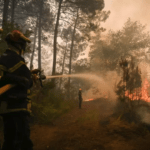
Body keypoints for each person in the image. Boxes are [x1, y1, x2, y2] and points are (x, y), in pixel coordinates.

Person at [0, 29, 33, 150]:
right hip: (16, 107)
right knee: (23, 143)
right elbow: (27, 82)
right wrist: (27, 79)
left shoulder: (4, 57)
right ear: (20, 45)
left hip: (7, 107)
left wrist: (24, 77)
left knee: (10, 141)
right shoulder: (15, 59)